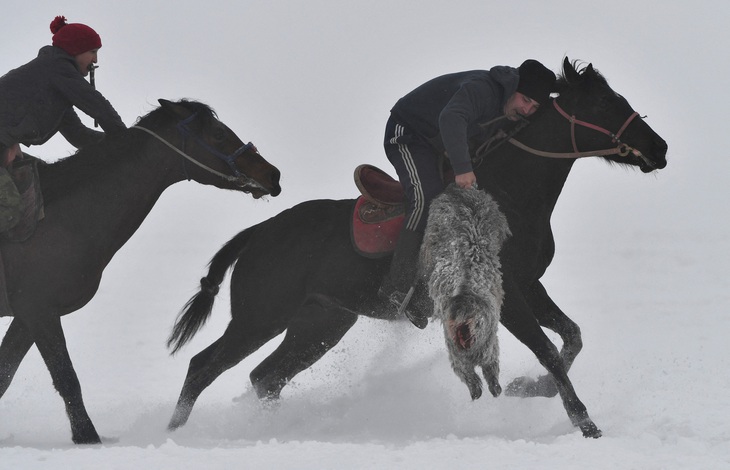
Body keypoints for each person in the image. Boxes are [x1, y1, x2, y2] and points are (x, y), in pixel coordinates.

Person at [379, 59, 556, 328]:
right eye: (525, 99)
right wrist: (462, 169)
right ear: (514, 88)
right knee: (427, 201)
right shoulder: (483, 89)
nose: (527, 109)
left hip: (437, 142)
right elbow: (451, 118)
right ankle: (398, 287)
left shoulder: (512, 110)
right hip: (408, 134)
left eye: (534, 107)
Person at [0, 16, 126, 230]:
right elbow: (97, 105)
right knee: (10, 208)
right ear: (76, 50)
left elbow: (78, 135)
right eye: (93, 52)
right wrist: (128, 140)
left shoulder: (54, 88)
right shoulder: (56, 67)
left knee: (35, 184)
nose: (95, 60)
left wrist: (112, 144)